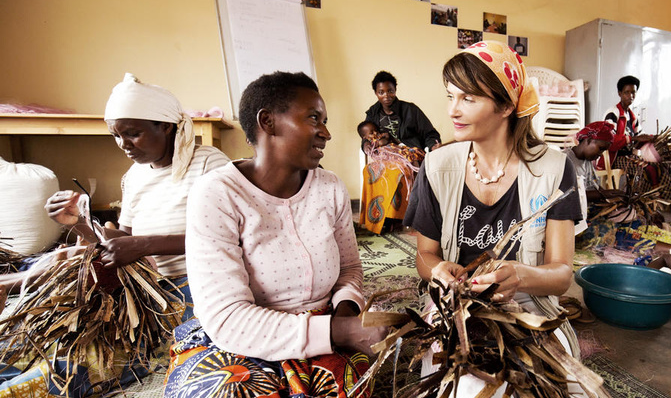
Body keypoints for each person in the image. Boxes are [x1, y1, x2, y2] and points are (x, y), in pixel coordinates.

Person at [0, 73, 229, 396]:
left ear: (164, 126)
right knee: (35, 344)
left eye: (133, 134)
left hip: (192, 294)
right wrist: (79, 222)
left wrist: (144, 245)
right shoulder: (134, 177)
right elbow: (119, 242)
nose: (124, 144)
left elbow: (228, 237)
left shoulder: (209, 164)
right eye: (116, 136)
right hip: (140, 292)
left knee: (81, 364)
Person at [165, 71, 386, 398]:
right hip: (244, 338)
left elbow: (350, 269)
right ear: (267, 122)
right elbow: (227, 317)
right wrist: (338, 332)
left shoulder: (330, 188)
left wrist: (347, 320)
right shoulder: (217, 195)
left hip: (328, 326)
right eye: (314, 118)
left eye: (325, 121)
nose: (326, 133)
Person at [405, 40, 583, 397]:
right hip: (455, 304)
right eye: (450, 96)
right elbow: (425, 256)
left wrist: (521, 276)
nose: (453, 110)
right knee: (464, 386)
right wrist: (439, 270)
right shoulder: (437, 166)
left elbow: (561, 273)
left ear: (505, 105)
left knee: (557, 386)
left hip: (529, 304)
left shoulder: (553, 169)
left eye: (468, 99)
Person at [604, 75, 671, 221]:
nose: (631, 96)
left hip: (630, 156)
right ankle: (648, 209)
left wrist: (650, 139)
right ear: (619, 93)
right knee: (646, 168)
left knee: (665, 167)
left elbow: (638, 138)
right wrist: (632, 138)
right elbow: (609, 141)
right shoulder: (613, 114)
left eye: (633, 92)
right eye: (627, 92)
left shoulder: (632, 116)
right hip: (615, 158)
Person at [357, 120, 425, 234]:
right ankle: (388, 218)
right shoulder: (369, 141)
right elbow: (373, 147)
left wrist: (389, 138)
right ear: (364, 137)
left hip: (397, 155)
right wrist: (371, 143)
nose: (374, 133)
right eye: (371, 132)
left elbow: (396, 142)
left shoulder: (385, 135)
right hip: (386, 158)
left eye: (375, 130)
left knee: (400, 171)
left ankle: (396, 217)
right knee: (376, 173)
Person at [365, 70, 442, 151]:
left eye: (390, 91)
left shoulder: (411, 110)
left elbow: (430, 133)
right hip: (386, 157)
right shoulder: (372, 113)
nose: (386, 96)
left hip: (412, 154)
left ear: (395, 89)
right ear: (375, 93)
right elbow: (366, 135)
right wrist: (366, 145)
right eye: (381, 92)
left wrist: (432, 145)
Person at [564, 121, 614, 235]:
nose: (601, 154)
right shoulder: (566, 161)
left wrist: (610, 195)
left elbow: (595, 185)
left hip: (587, 209)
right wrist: (604, 194)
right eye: (600, 148)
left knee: (624, 215)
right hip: (574, 215)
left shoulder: (587, 162)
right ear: (588, 140)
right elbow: (572, 196)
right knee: (605, 230)